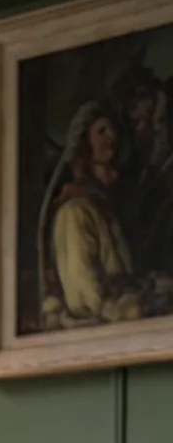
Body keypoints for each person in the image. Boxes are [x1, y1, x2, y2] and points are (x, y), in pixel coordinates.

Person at [38, 100, 142, 328]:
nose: (110, 137)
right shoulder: (74, 212)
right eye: (101, 131)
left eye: (113, 129)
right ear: (86, 143)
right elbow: (85, 294)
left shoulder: (111, 203)